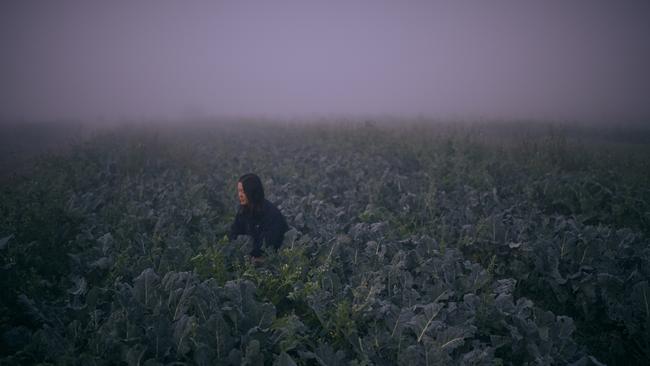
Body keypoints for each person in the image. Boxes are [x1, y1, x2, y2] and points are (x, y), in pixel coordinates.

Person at [228, 173, 288, 263]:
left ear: (252, 192)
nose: (240, 195)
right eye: (239, 191)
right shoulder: (243, 211)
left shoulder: (271, 214)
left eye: (243, 191)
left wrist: (251, 255)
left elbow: (268, 245)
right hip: (247, 259)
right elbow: (234, 234)